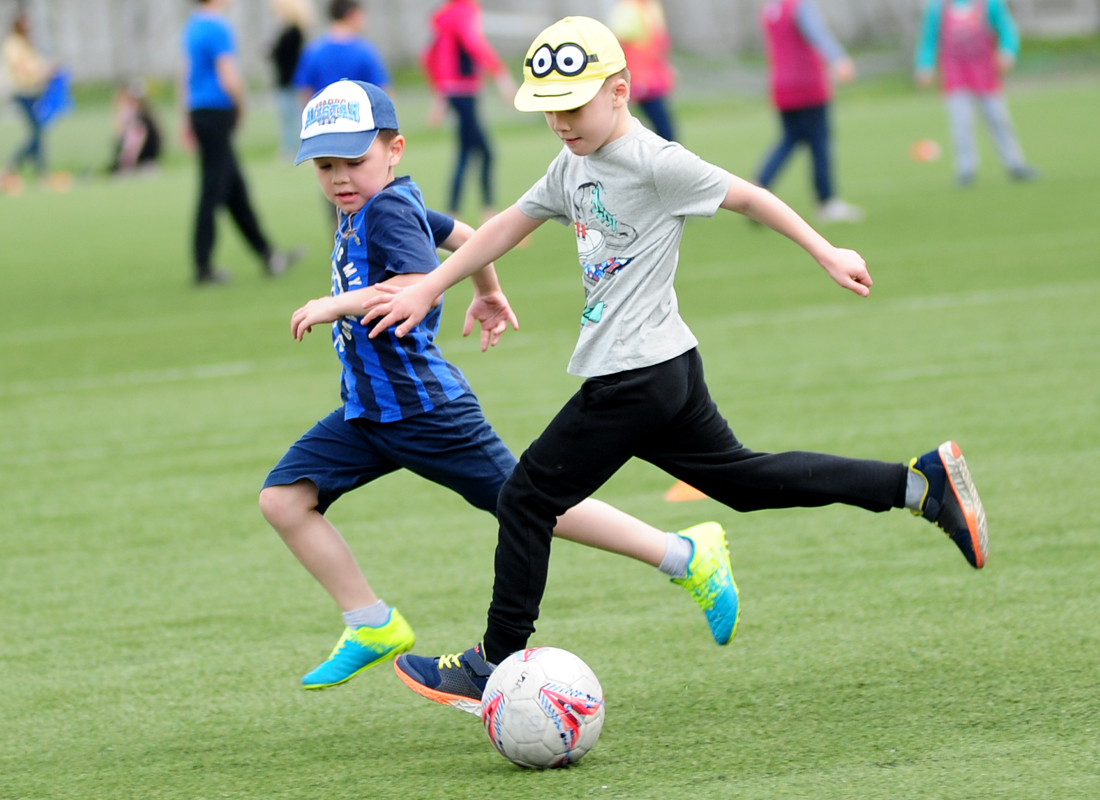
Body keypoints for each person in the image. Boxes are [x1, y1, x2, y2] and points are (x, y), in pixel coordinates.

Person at [360, 17, 990, 714]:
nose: (560, 123)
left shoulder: (655, 161)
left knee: (526, 497)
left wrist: (827, 251)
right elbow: (511, 221)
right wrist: (435, 285)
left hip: (635, 376)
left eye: (573, 106)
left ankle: (494, 661)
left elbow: (749, 195)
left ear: (620, 91)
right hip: (665, 370)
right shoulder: (572, 164)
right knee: (746, 483)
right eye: (549, 110)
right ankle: (918, 485)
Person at [257, 79, 740, 696]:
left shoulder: (386, 211)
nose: (340, 178)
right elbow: (464, 235)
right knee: (284, 499)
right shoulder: (374, 204)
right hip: (370, 412)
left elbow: (413, 281)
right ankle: (371, 622)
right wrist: (487, 290)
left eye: (354, 161)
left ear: (394, 149)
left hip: (427, 411)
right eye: (326, 167)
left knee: (535, 504)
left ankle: (685, 555)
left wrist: (334, 304)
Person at [180, 0, 300, 285]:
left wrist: (186, 115)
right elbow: (228, 74)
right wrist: (242, 104)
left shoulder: (192, 26)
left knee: (235, 188)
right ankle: (203, 265)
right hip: (216, 111)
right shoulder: (217, 27)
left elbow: (185, 75)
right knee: (213, 188)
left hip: (199, 110)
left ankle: (268, 255)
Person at [756, 0, 864, 223]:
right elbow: (817, 33)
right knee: (819, 144)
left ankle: (759, 186)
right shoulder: (799, 6)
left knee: (790, 139)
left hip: (781, 86)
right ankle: (827, 201)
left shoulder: (770, 9)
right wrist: (839, 59)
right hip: (807, 85)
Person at [914, 0, 1037, 187]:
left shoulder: (990, 4)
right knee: (961, 125)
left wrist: (1007, 52)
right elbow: (929, 40)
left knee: (998, 120)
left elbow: (1007, 29)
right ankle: (965, 170)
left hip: (986, 75)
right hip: (955, 76)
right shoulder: (938, 7)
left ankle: (1014, 164)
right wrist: (924, 66)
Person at [421, 0, 515, 221]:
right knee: (482, 152)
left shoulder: (444, 16)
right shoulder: (464, 12)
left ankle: (462, 213)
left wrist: (440, 93)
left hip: (455, 93)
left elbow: (430, 57)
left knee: (468, 151)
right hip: (464, 92)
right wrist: (500, 74)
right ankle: (480, 212)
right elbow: (474, 44)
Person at [293, 0, 389, 102]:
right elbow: (382, 90)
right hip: (358, 110)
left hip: (324, 110)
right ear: (352, 15)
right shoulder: (365, 52)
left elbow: (304, 90)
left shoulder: (313, 51)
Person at [1, 10, 56, 189]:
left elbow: (36, 64)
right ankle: (17, 166)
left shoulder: (27, 43)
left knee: (38, 132)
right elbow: (22, 68)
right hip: (21, 92)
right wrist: (43, 70)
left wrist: (48, 68)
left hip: (34, 92)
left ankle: (30, 170)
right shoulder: (13, 44)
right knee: (37, 131)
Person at [607, 0, 676, 142]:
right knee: (662, 126)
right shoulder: (629, 8)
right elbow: (622, 37)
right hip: (641, 77)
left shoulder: (648, 6)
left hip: (652, 75)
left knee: (663, 126)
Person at [268, 0, 312, 160]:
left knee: (293, 117)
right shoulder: (288, 32)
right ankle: (291, 148)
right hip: (286, 81)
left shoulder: (294, 32)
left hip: (291, 81)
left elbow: (285, 55)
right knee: (288, 117)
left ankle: (298, 149)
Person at [108, 80, 162, 175]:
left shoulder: (140, 120)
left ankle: (128, 167)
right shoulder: (140, 116)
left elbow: (136, 141)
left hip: (144, 155)